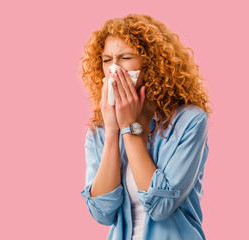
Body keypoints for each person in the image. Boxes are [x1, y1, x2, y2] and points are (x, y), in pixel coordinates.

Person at [79, 14, 212, 240]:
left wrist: (130, 127)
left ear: (152, 64)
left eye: (125, 57)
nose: (114, 69)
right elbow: (102, 212)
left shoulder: (190, 122)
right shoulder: (99, 133)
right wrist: (113, 131)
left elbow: (161, 207)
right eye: (107, 60)